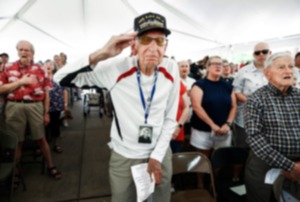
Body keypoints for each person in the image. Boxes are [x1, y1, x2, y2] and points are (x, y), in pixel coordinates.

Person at [54, 12, 180, 202]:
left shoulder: (171, 68)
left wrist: (157, 156)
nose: (154, 48)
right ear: (134, 44)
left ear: (166, 45)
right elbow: (60, 79)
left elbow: (171, 117)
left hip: (160, 151)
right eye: (146, 40)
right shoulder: (116, 68)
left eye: (160, 41)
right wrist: (102, 53)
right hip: (125, 155)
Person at [0, 40, 62, 179]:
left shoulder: (40, 69)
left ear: (32, 53)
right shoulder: (6, 67)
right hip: (14, 106)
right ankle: (16, 173)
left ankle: (50, 165)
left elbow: (46, 93)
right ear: (17, 51)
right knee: (17, 142)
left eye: (26, 50)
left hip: (35, 106)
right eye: (20, 49)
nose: (23, 52)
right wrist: (20, 82)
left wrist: (46, 113)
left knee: (41, 138)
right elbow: (1, 88)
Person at [244, 52, 300, 202]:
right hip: (265, 167)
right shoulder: (256, 99)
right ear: (267, 73)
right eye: (281, 67)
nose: (288, 71)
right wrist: (290, 166)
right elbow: (255, 139)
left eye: (291, 67)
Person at [189, 56, 237, 188]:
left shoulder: (228, 86)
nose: (218, 66)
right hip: (202, 130)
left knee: (218, 158)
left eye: (221, 64)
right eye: (214, 64)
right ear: (208, 67)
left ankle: (213, 181)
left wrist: (227, 124)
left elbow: (233, 106)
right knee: (202, 158)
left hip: (224, 130)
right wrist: (212, 125)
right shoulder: (199, 85)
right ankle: (200, 184)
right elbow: (197, 107)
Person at [232, 42, 270, 148]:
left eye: (264, 52)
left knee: (264, 151)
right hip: (245, 119)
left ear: (270, 53)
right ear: (254, 55)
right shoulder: (243, 71)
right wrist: (253, 103)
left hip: (268, 121)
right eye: (257, 53)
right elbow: (236, 91)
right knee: (242, 150)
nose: (261, 55)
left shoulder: (275, 70)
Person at [43, 60, 68, 153]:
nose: (48, 65)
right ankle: (43, 147)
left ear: (54, 67)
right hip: (43, 107)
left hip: (56, 106)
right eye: (46, 64)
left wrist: (65, 105)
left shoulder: (58, 78)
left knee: (55, 126)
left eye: (51, 64)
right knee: (43, 128)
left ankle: (55, 144)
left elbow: (65, 91)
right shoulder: (40, 78)